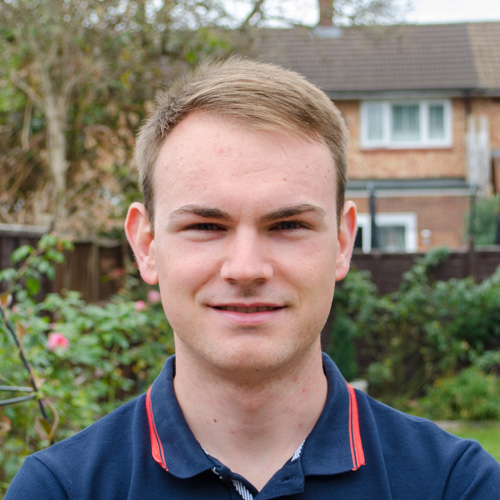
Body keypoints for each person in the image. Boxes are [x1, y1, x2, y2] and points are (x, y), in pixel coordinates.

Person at [6, 58, 500, 499]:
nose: (245, 269)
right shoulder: (61, 490)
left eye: (288, 225)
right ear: (146, 245)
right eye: (206, 226)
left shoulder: (455, 485)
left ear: (343, 242)